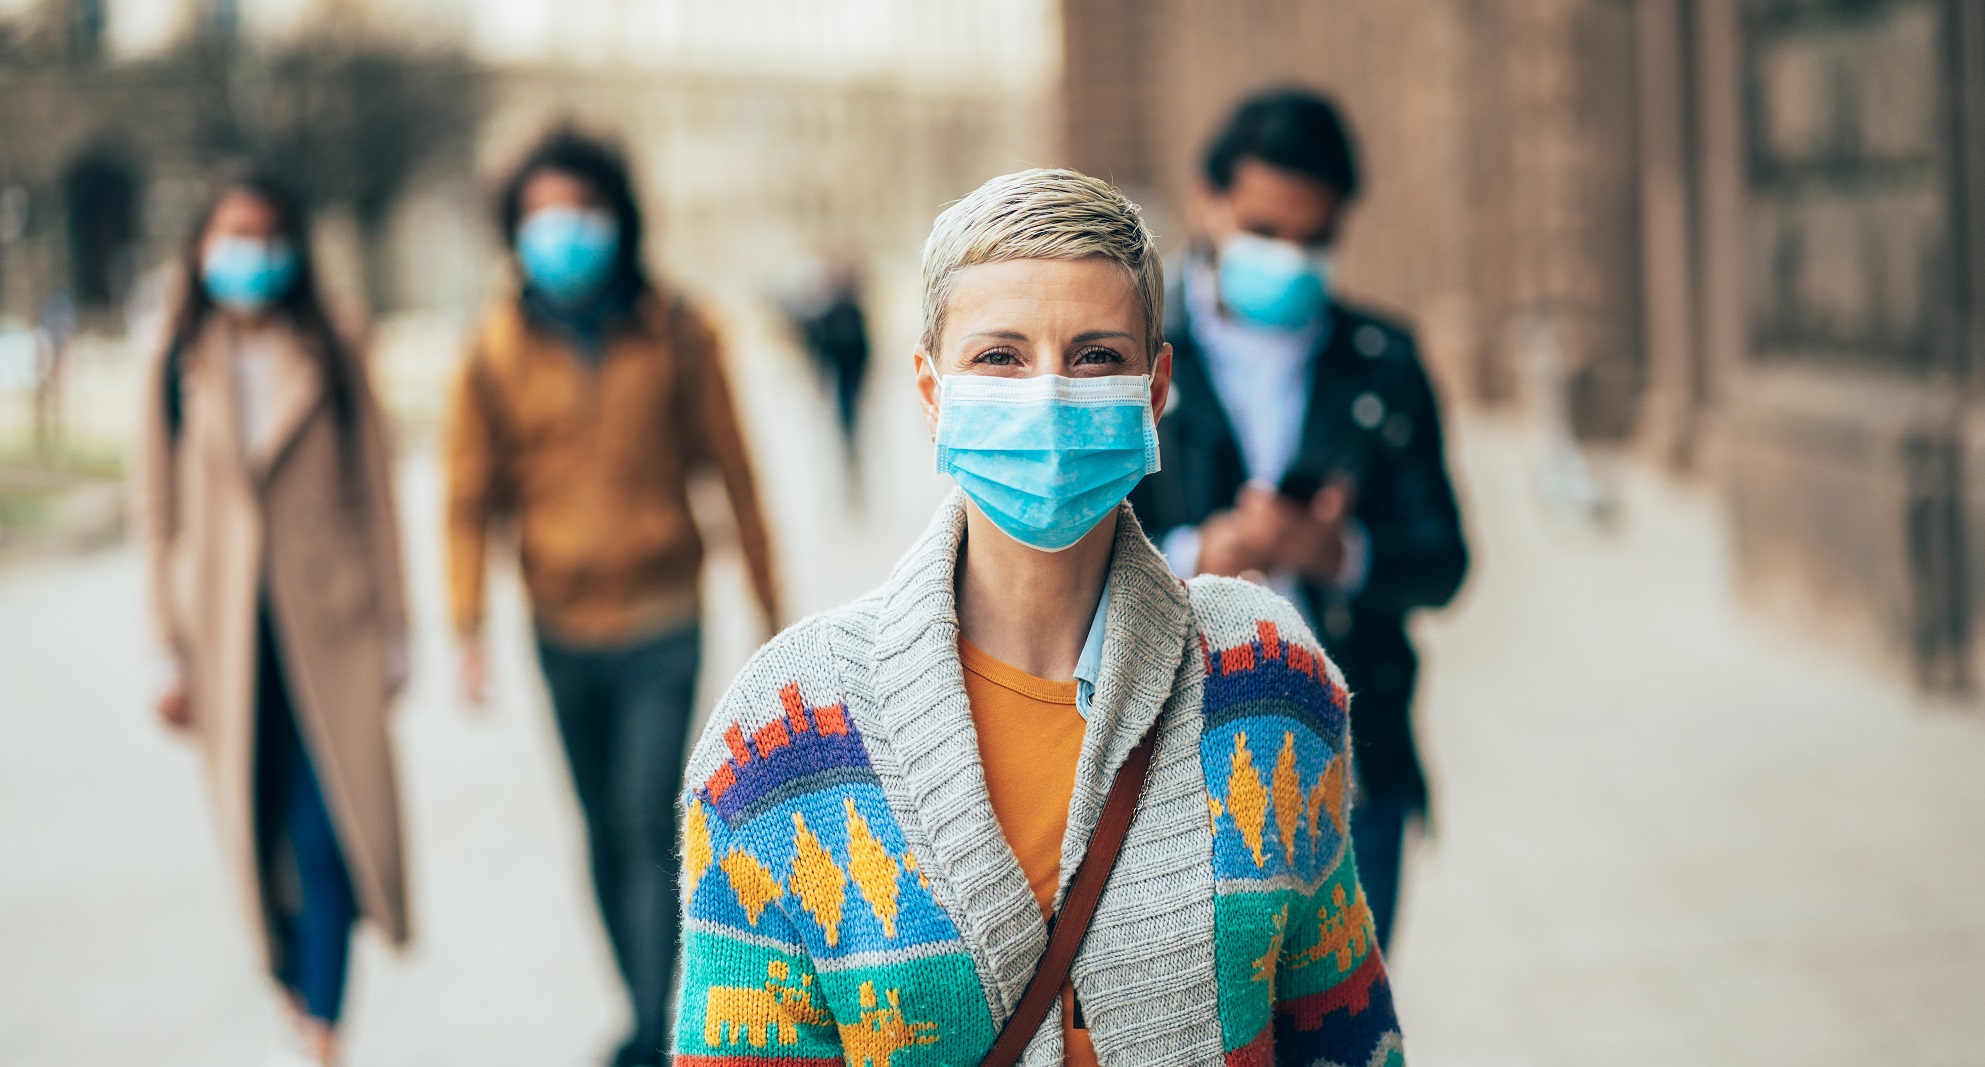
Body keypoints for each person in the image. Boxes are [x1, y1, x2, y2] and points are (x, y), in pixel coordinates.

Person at [672, 169, 1404, 1066]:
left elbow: (1344, 1034)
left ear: (1156, 386)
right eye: (999, 357)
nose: (1049, 394)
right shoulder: (780, 739)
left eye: (1095, 355)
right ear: (930, 388)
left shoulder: (1266, 677)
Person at [444, 129, 780, 1067]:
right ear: (514, 229)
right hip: (560, 625)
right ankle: (643, 1004)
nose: (564, 234)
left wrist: (769, 604)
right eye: (542, 216)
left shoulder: (677, 327)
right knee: (599, 828)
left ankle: (657, 1025)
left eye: (581, 213)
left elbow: (734, 468)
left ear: (620, 220)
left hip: (664, 616)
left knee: (648, 821)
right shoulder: (494, 348)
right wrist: (467, 626)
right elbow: (468, 496)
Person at [1128, 89, 1469, 952]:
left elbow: (1444, 558)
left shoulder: (1382, 363)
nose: (1288, 256)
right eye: (1264, 230)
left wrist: (1336, 551)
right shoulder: (1129, 354)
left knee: (1346, 1031)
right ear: (1209, 201)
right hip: (1189, 773)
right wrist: (1201, 552)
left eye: (1313, 238)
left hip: (1355, 767)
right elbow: (1080, 550)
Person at [133, 170, 411, 1066]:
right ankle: (299, 991)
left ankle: (322, 1027)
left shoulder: (332, 345)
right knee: (258, 837)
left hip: (326, 629)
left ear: (290, 248)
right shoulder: (174, 356)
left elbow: (375, 488)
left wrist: (398, 627)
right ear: (201, 251)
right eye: (230, 236)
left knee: (328, 831)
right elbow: (156, 509)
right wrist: (163, 651)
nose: (247, 254)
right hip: (222, 636)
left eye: (264, 235)